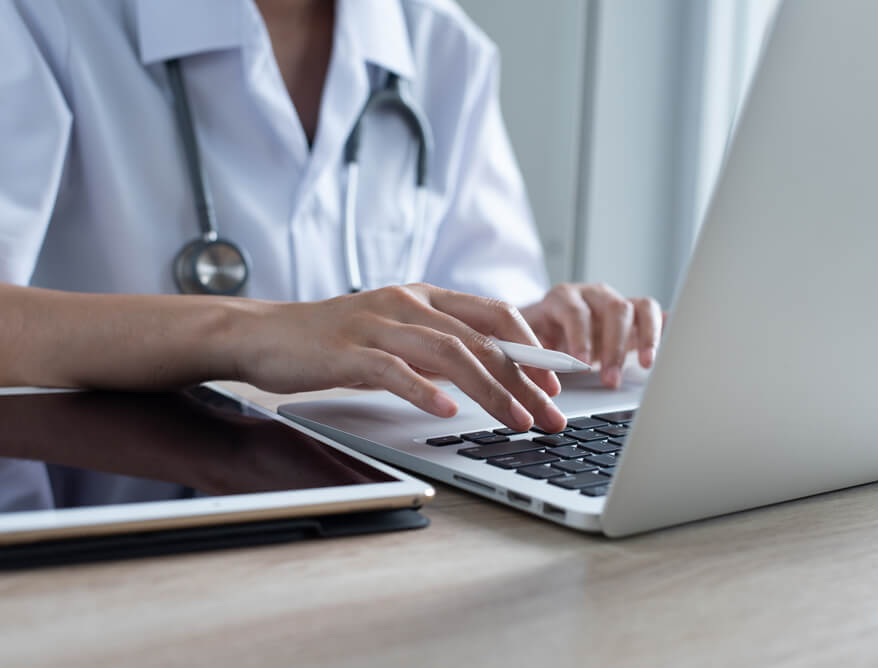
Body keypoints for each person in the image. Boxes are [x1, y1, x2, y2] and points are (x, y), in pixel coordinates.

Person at [0, 0, 664, 438]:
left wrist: (530, 334)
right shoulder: (39, 17)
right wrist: (251, 334)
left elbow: (479, 305)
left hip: (388, 522)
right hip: (120, 528)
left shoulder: (439, 44)